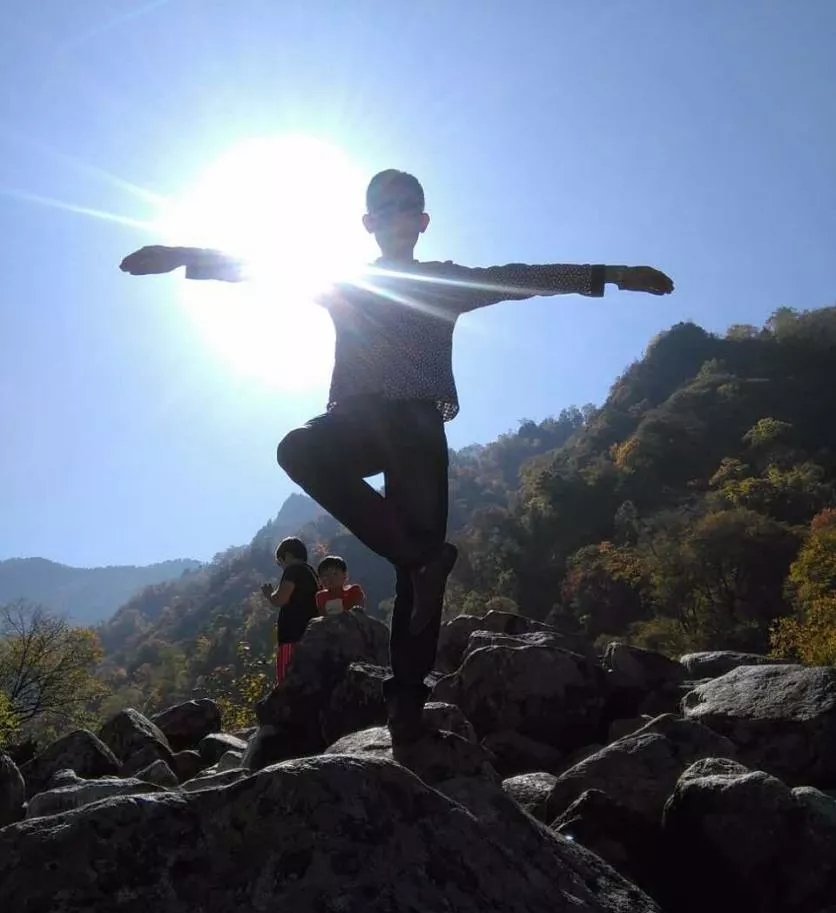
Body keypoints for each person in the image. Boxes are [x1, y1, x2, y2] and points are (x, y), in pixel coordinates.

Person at [120, 169, 674, 741]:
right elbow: (265, 267)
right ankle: (416, 555)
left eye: (405, 207)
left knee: (419, 578)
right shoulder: (344, 281)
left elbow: (518, 278)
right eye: (382, 210)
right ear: (368, 223)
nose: (393, 217)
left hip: (416, 427)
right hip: (355, 421)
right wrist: (182, 255)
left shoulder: (444, 282)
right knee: (302, 452)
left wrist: (611, 275)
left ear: (423, 220)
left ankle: (406, 706)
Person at [260, 536, 319, 683]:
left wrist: (269, 595)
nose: (282, 568)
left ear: (287, 556)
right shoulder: (311, 573)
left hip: (292, 636)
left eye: (281, 563)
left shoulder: (293, 570)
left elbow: (280, 599)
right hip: (311, 635)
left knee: (287, 682)